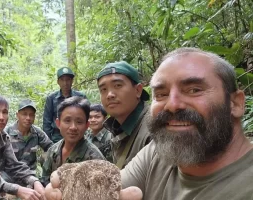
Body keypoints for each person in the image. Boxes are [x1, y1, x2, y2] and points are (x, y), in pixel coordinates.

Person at [45, 47, 253, 200]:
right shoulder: (159, 153)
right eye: (161, 94)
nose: (172, 105)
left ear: (235, 103)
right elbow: (108, 187)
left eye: (194, 90)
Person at [0, 95, 45, 200]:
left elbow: (14, 165)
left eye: (5, 112)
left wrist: (35, 181)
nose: (1, 117)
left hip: (5, 181)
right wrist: (17, 189)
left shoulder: (4, 137)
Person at [97, 61, 151, 168]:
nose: (109, 95)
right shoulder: (116, 127)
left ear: (138, 90)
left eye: (117, 85)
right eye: (103, 89)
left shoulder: (153, 130)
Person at [41, 96, 106, 186]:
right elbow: (44, 180)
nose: (73, 127)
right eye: (67, 121)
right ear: (58, 123)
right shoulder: (53, 150)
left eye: (79, 122)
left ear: (87, 125)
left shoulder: (94, 159)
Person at [5, 99, 53, 173]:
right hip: (10, 174)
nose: (28, 118)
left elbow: (52, 148)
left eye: (31, 115)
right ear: (17, 115)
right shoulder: (7, 131)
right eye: (24, 114)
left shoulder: (37, 132)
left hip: (30, 174)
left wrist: (44, 157)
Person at [43, 67, 87, 143]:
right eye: (62, 80)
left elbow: (86, 118)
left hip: (76, 135)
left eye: (68, 80)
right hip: (57, 137)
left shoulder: (80, 97)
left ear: (72, 81)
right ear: (58, 82)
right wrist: (48, 143)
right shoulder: (51, 98)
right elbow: (47, 122)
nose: (65, 83)